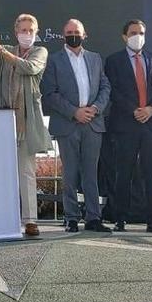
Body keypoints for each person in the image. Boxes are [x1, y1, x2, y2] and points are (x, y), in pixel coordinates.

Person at [41, 19, 112, 233]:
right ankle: (71, 217)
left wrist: (95, 109)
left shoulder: (95, 58)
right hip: (67, 123)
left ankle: (93, 217)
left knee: (91, 173)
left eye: (77, 32)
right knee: (70, 173)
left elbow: (105, 87)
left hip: (93, 122)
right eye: (69, 32)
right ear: (64, 36)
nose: (73, 35)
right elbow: (50, 94)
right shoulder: (53, 60)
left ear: (84, 34)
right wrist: (75, 112)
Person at [0, 14, 50, 236]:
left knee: (27, 172)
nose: (27, 34)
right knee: (2, 173)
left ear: (36, 32)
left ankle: (30, 220)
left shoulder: (40, 52)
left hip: (25, 123)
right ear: (15, 31)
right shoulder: (5, 52)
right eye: (23, 30)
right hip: (0, 124)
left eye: (31, 30)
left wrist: (2, 51)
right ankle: (5, 218)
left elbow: (29, 68)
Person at [104, 19, 152, 233]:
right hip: (125, 124)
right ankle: (120, 217)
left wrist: (150, 109)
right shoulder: (114, 61)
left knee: (151, 173)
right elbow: (112, 90)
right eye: (133, 32)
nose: (138, 36)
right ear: (124, 36)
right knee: (123, 172)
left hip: (150, 125)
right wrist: (133, 109)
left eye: (141, 32)